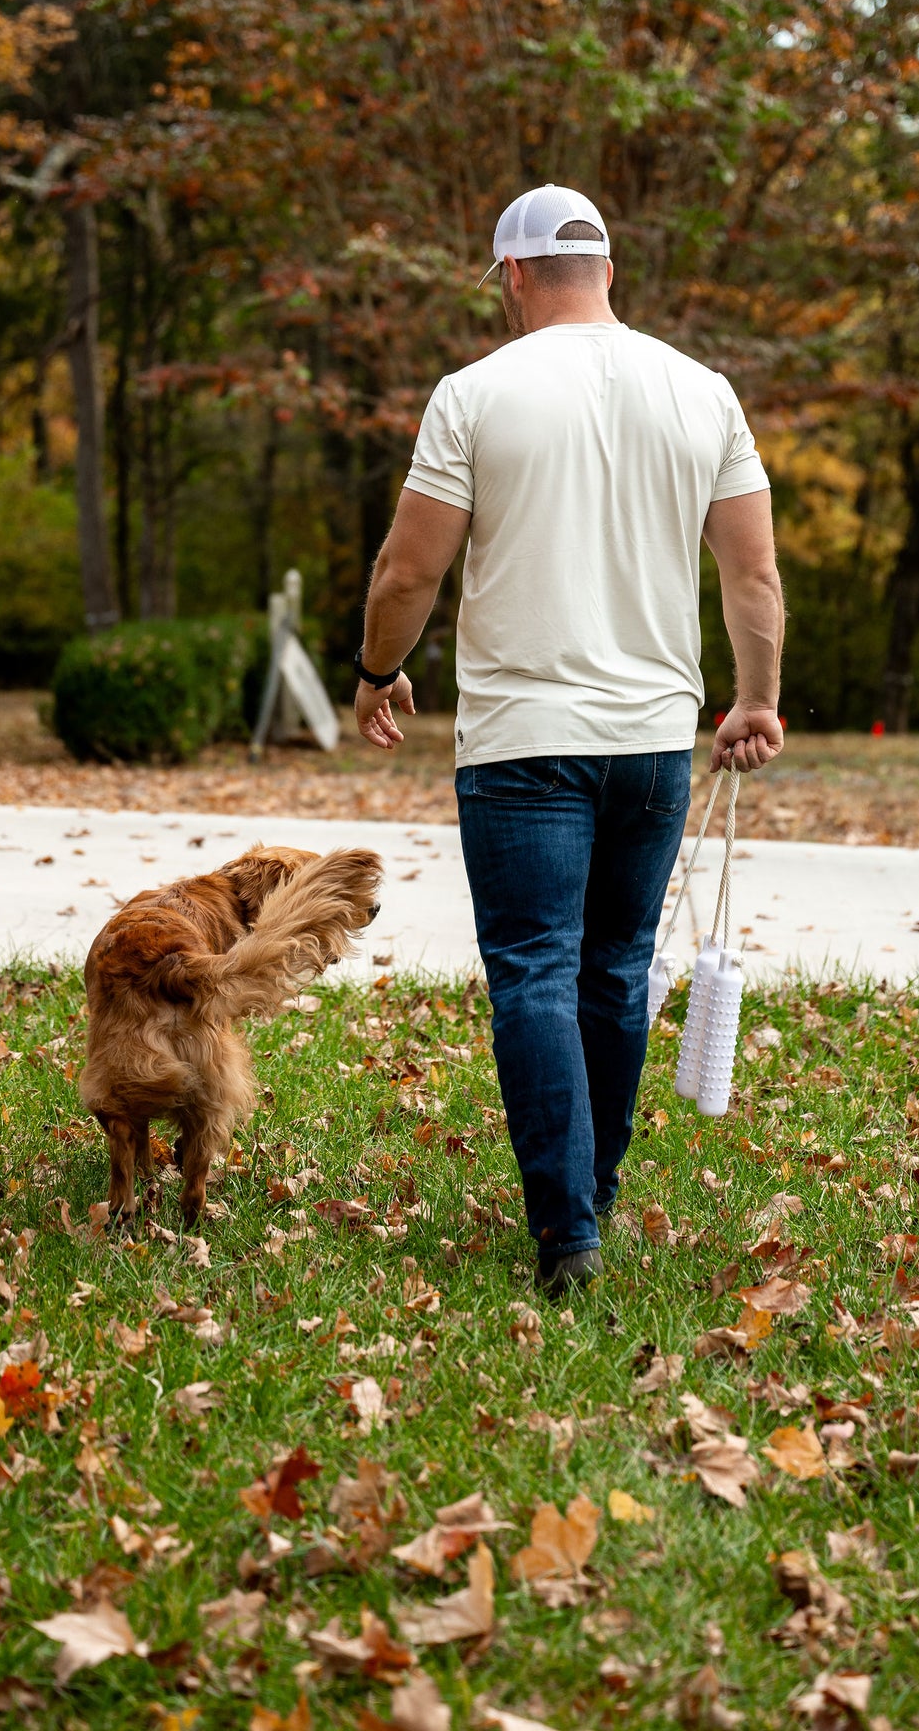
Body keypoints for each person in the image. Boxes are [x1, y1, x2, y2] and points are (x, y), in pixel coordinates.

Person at [352, 184, 785, 1295]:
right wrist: (754, 697)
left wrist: (375, 670)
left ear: (511, 275)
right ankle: (590, 1199)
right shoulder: (703, 392)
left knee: (534, 971)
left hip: (520, 742)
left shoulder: (474, 393)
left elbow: (409, 569)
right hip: (651, 740)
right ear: (607, 268)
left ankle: (567, 1231)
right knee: (612, 968)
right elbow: (751, 573)